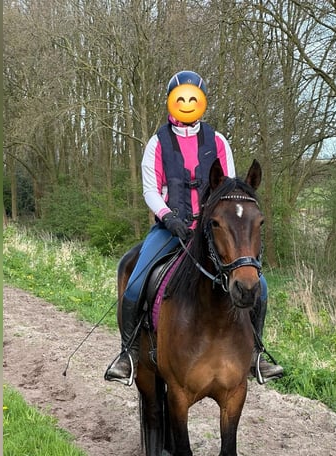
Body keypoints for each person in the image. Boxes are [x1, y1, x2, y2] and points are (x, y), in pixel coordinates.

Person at [104, 70, 283, 385]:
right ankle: (128, 354)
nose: (187, 104)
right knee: (134, 281)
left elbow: (228, 189)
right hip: (169, 228)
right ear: (172, 103)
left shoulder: (217, 141)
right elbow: (150, 189)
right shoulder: (157, 142)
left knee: (261, 286)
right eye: (181, 98)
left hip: (213, 231)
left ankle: (255, 354)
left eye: (193, 98)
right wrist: (168, 217)